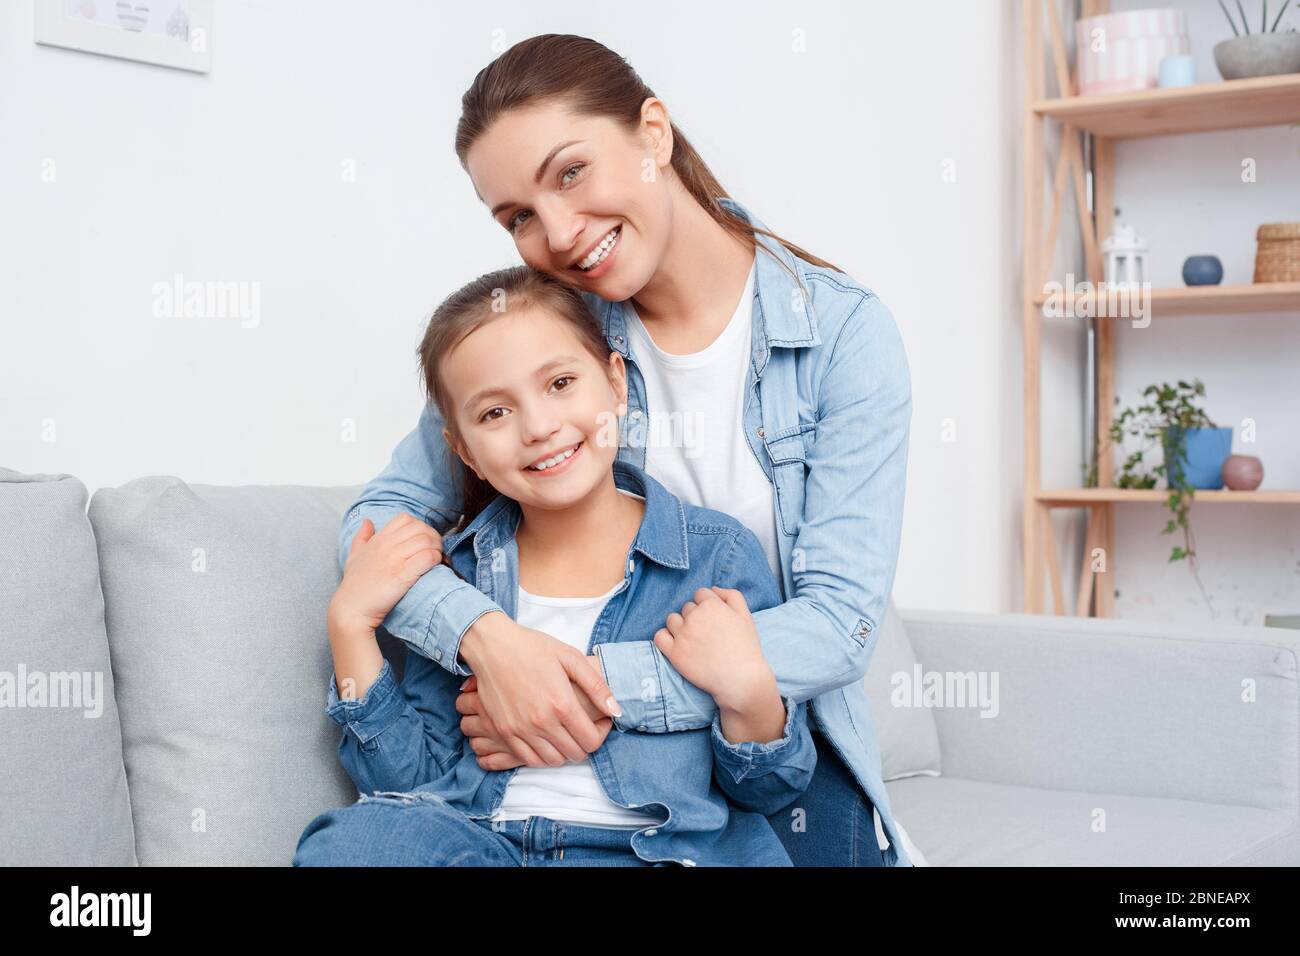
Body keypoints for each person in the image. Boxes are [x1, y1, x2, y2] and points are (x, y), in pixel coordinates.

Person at [341, 34, 914, 866]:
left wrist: (577, 688)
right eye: (519, 218)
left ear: (653, 134)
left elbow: (838, 625)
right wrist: (490, 643)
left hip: (758, 731)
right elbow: (374, 523)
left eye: (570, 173)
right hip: (531, 786)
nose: (562, 234)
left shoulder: (842, 336)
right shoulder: (550, 338)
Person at [295, 266, 815, 866]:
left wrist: (749, 692)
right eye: (495, 414)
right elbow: (407, 787)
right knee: (350, 842)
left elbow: (771, 788)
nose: (539, 427)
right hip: (489, 848)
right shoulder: (459, 573)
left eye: (561, 383)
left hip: (658, 854)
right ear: (466, 452)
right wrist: (351, 626)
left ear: (616, 385)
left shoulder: (714, 556)